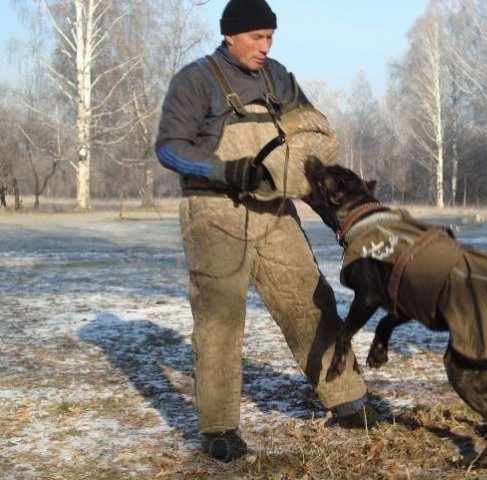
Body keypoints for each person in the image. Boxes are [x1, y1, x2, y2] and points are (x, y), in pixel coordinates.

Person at [155, 0, 378, 463]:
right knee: (220, 321)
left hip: (274, 209)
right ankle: (219, 429)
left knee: (309, 301)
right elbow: (169, 149)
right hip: (213, 212)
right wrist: (223, 169)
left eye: (270, 37)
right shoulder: (194, 80)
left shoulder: (277, 76)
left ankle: (349, 402)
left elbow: (315, 137)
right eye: (256, 37)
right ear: (230, 35)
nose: (265, 46)